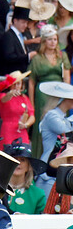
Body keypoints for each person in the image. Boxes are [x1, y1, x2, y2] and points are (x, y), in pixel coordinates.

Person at [28, 25, 71, 158]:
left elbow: (67, 76)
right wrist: (31, 105)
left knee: (61, 126)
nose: (53, 42)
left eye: (55, 39)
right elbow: (31, 82)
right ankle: (40, 159)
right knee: (43, 127)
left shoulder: (62, 56)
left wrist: (67, 94)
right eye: (49, 39)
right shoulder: (37, 58)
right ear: (44, 41)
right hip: (42, 95)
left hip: (60, 93)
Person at [0, 71, 35, 148]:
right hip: (7, 131)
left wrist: (26, 124)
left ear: (22, 85)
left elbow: (32, 116)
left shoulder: (25, 98)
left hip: (22, 131)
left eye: (18, 84)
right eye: (14, 84)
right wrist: (10, 94)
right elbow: (4, 99)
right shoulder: (2, 95)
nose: (16, 86)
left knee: (23, 155)